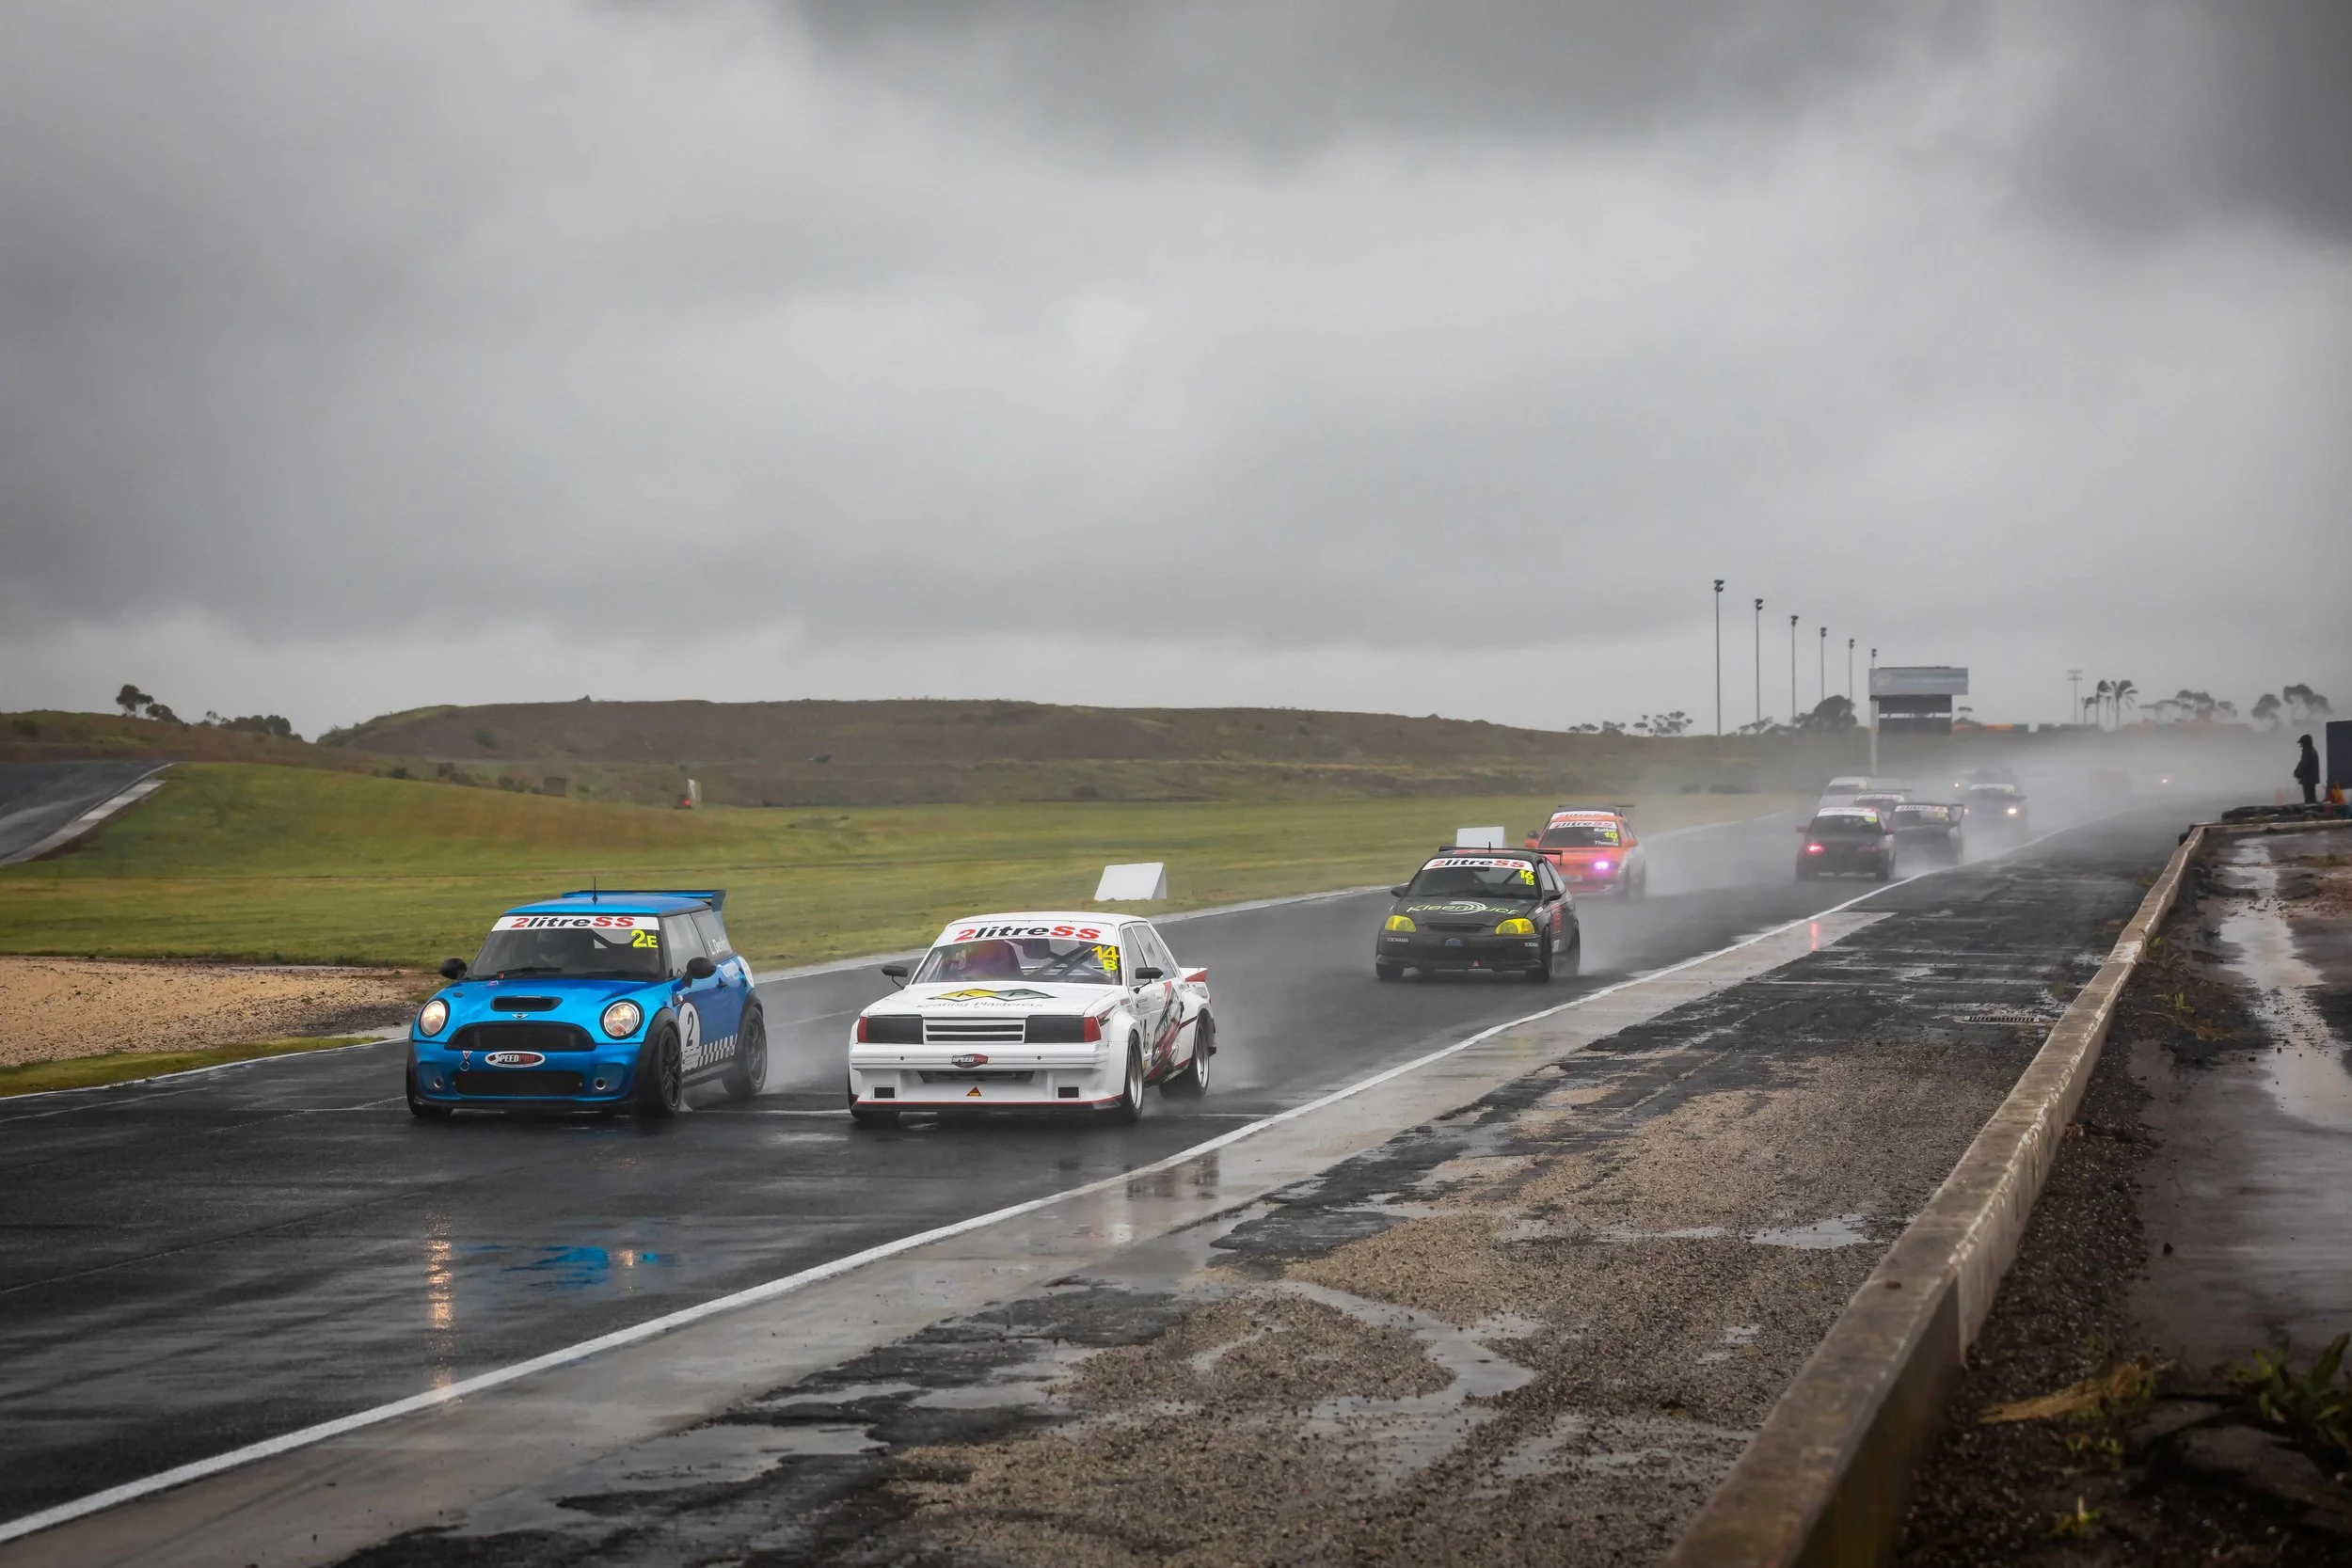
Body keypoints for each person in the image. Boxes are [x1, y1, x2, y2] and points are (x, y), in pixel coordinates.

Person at [2295, 734, 2321, 805]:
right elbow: (2302, 763)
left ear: (2305, 743)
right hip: (2311, 779)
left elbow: (2303, 764)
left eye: (2302, 743)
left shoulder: (2308, 752)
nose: (2301, 745)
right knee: (2311, 797)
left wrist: (2297, 773)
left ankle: (2311, 809)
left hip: (2308, 779)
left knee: (2309, 798)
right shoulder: (2312, 751)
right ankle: (2312, 808)